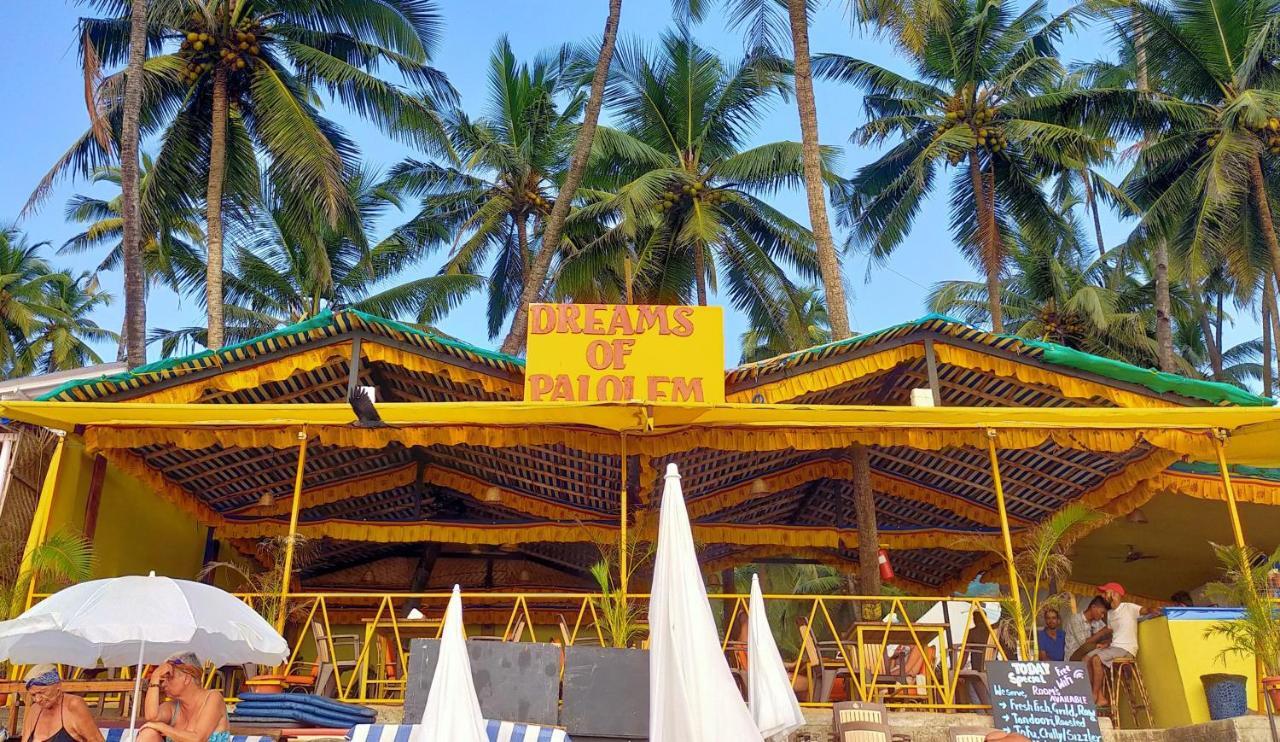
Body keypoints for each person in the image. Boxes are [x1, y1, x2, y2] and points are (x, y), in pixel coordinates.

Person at [1085, 582, 1153, 708]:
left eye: (1106, 592)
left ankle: (1093, 695)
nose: (1104, 595)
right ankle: (1100, 697)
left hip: (1126, 648)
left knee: (1096, 659)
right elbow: (1115, 633)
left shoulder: (1128, 607)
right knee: (1086, 658)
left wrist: (1152, 609)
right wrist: (1106, 644)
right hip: (1115, 647)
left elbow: (1144, 610)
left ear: (1114, 594)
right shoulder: (1110, 613)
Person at [138, 653, 230, 742]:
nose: (163, 684)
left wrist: (162, 727)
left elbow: (197, 739)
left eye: (169, 677)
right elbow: (151, 717)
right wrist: (155, 676)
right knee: (148, 734)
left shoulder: (213, 698)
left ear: (186, 679)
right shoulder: (173, 707)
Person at [20, 666, 105, 742]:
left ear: (58, 687)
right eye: (33, 695)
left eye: (42, 692)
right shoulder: (34, 710)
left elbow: (96, 740)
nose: (37, 699)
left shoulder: (73, 705)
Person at [1063, 595, 1108, 662]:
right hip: (1073, 659)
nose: (1102, 616)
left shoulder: (1098, 622)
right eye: (1102, 612)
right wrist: (1103, 631)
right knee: (1089, 649)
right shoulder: (1075, 619)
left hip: (1089, 655)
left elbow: (1105, 639)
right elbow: (1084, 643)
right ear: (1093, 607)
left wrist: (1105, 643)